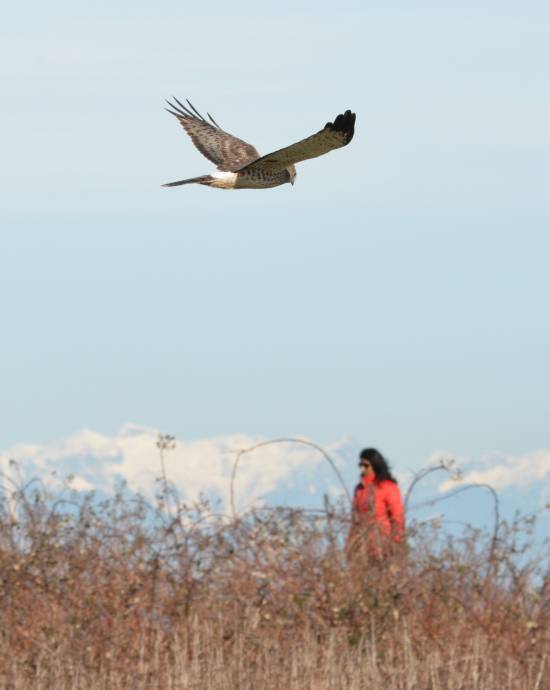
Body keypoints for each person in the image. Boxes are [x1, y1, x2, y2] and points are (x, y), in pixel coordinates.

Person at [346, 448, 405, 560]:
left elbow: (398, 517)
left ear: (375, 465)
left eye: (365, 465)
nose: (362, 468)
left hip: (383, 547)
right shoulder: (359, 490)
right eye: (360, 464)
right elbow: (355, 521)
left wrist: (395, 544)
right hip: (362, 550)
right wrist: (350, 546)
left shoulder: (387, 487)